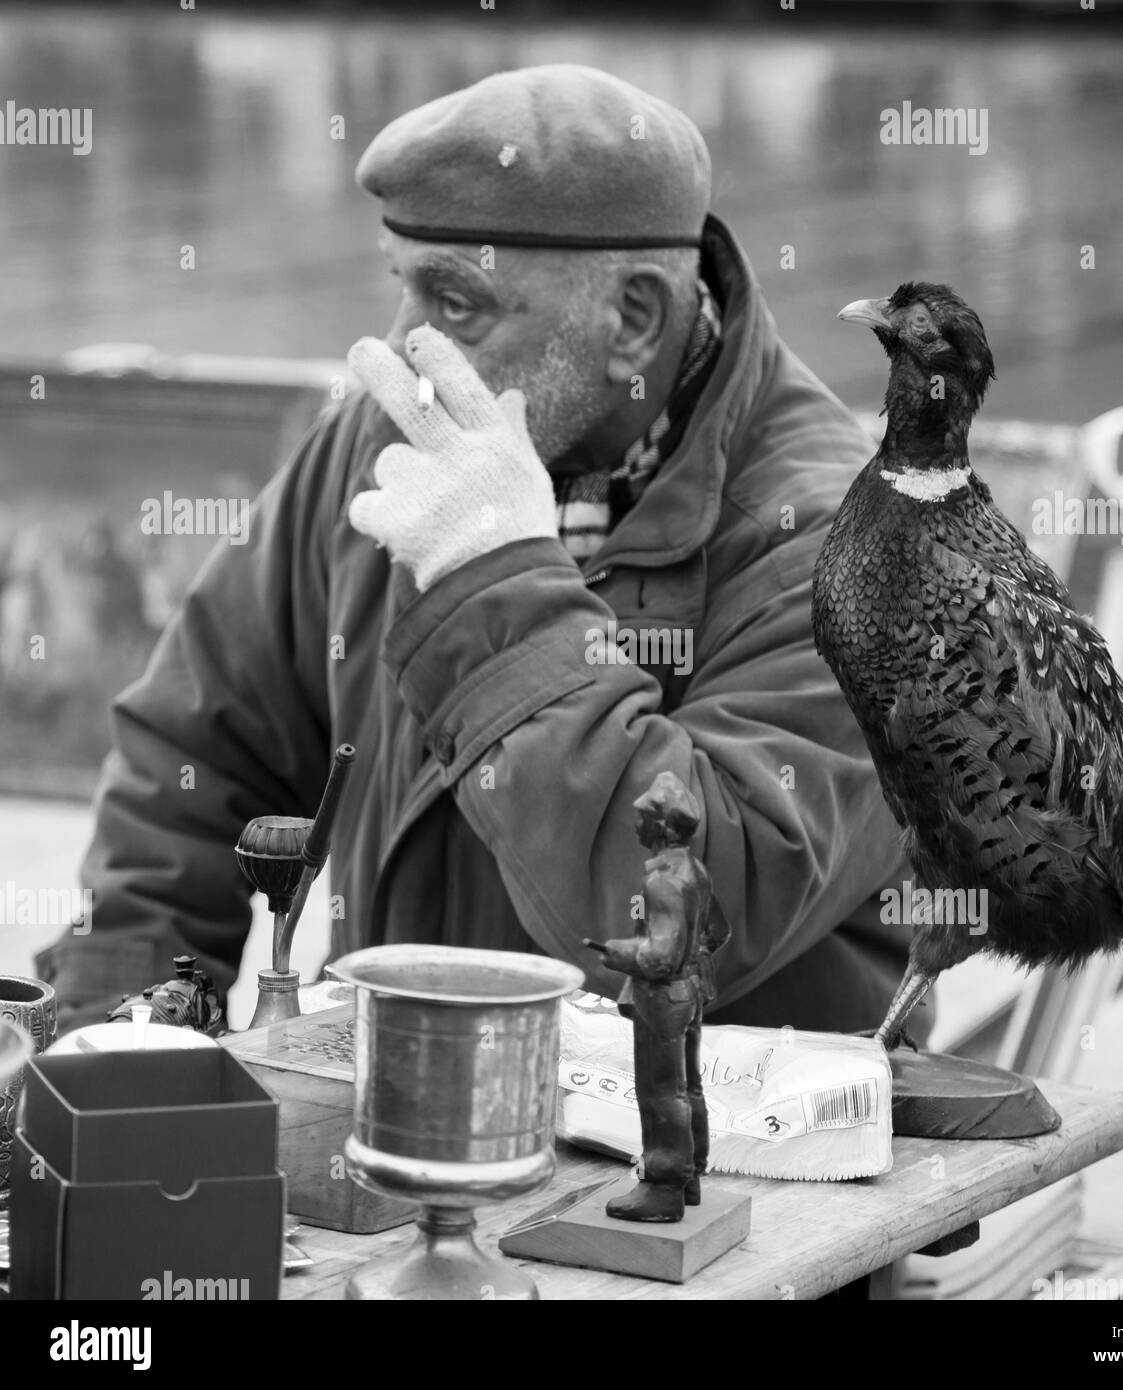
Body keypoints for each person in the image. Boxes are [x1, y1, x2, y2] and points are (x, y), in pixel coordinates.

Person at [36, 64, 925, 1042]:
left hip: (729, 1171)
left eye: (454, 304)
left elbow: (681, 919)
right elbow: (193, 760)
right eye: (400, 287)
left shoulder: (860, 548)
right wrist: (118, 1040)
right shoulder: (390, 437)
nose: (400, 352)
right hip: (398, 1122)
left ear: (633, 319)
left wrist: (491, 581)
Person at [586, 771, 729, 1223]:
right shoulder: (696, 871)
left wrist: (616, 952)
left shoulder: (664, 882)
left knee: (660, 1092)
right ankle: (689, 1179)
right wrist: (693, 958)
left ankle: (664, 1187)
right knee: (688, 1087)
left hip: (664, 998)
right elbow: (718, 932)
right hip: (690, 993)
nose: (637, 824)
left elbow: (660, 956)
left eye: (644, 816)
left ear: (663, 827)